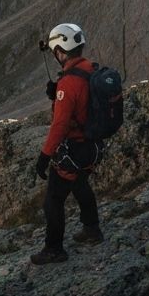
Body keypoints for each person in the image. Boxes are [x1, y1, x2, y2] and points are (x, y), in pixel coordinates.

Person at [30, 23, 105, 266]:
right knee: (80, 182)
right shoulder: (89, 69)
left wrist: (44, 155)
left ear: (61, 50)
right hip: (92, 145)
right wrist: (58, 95)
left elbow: (60, 125)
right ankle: (92, 230)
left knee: (53, 198)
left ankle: (54, 249)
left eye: (55, 50)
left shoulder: (69, 82)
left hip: (74, 147)